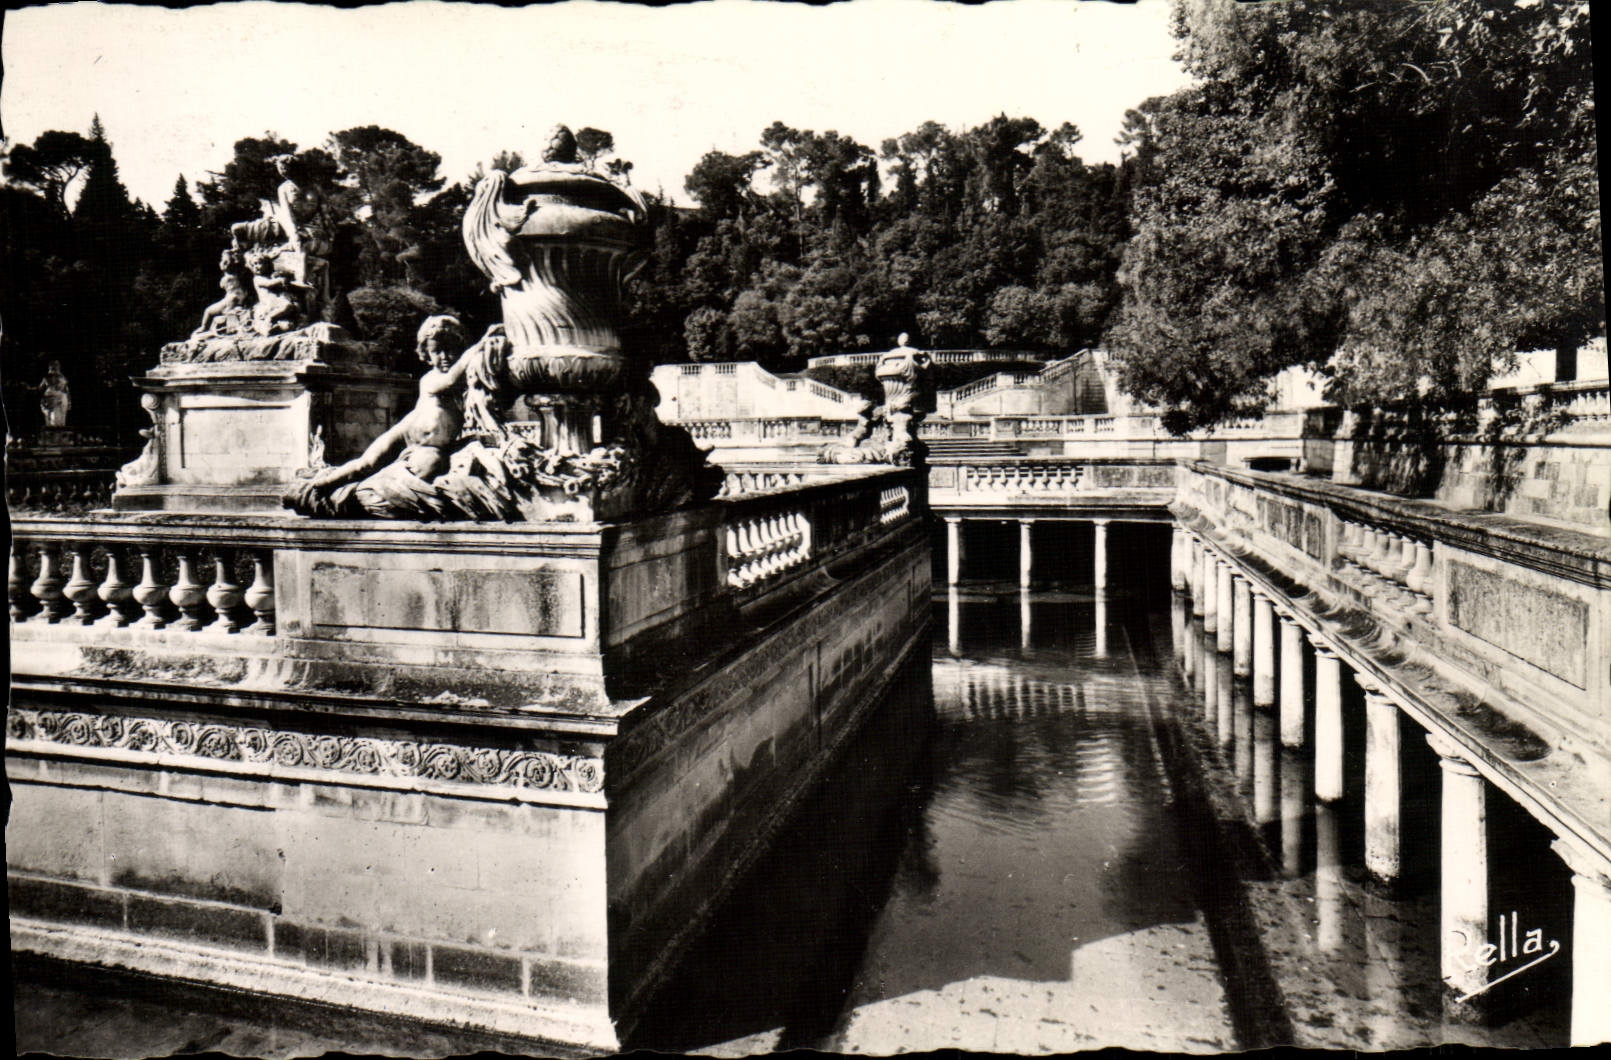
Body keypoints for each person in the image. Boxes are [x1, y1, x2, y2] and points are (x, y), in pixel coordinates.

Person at [286, 316, 472, 516]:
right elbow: (451, 380)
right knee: (366, 463)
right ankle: (319, 485)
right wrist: (477, 348)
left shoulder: (466, 382)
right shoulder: (431, 378)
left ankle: (339, 488)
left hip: (428, 444)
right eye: (437, 351)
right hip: (407, 430)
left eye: (450, 349)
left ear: (459, 348)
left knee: (380, 468)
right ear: (426, 353)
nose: (444, 356)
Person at [36, 361, 70, 428]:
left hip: (59, 399)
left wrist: (69, 401)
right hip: (50, 399)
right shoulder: (47, 377)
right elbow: (40, 388)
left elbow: (66, 389)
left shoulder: (61, 377)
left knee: (57, 419)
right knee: (52, 418)